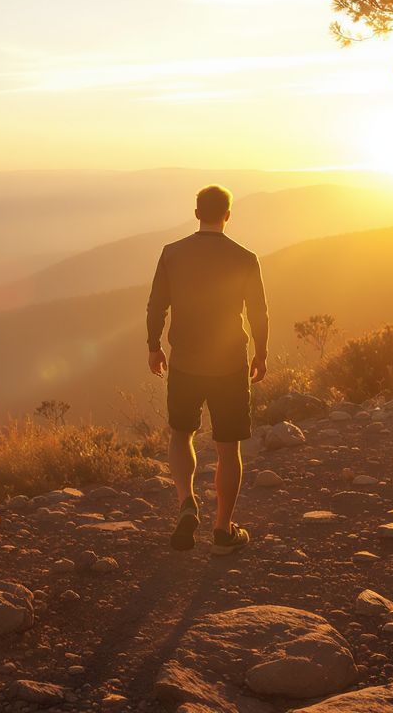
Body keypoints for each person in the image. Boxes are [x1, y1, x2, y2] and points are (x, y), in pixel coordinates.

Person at [145, 184, 269, 554]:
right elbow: (259, 312)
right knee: (228, 449)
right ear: (228, 215)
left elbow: (156, 305)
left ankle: (186, 502)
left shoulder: (172, 253)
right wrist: (260, 354)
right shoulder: (245, 257)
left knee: (181, 434)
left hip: (184, 361)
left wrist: (154, 347)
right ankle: (222, 529)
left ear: (197, 213)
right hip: (230, 364)